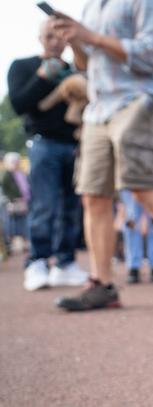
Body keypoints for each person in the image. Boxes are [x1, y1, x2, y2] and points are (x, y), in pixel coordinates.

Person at [51, 1, 153, 312]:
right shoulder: (91, 6)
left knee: (142, 188)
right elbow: (87, 65)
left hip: (137, 101)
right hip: (97, 108)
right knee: (92, 196)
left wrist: (91, 35)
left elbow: (152, 53)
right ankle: (102, 283)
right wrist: (76, 41)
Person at [7, 19, 88, 291]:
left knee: (70, 208)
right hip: (43, 143)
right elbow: (19, 104)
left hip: (74, 145)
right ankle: (37, 261)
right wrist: (43, 76)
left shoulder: (75, 71)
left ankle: (65, 263)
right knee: (44, 205)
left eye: (59, 36)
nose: (55, 41)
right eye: (49, 36)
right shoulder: (23, 66)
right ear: (40, 38)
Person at [1, 153, 30, 254]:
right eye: (14, 162)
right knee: (11, 224)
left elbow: (26, 187)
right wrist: (12, 199)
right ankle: (12, 244)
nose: (16, 164)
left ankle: (24, 243)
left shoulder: (21, 174)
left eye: (17, 162)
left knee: (23, 223)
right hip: (12, 203)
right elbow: (5, 189)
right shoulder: (6, 175)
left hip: (23, 202)